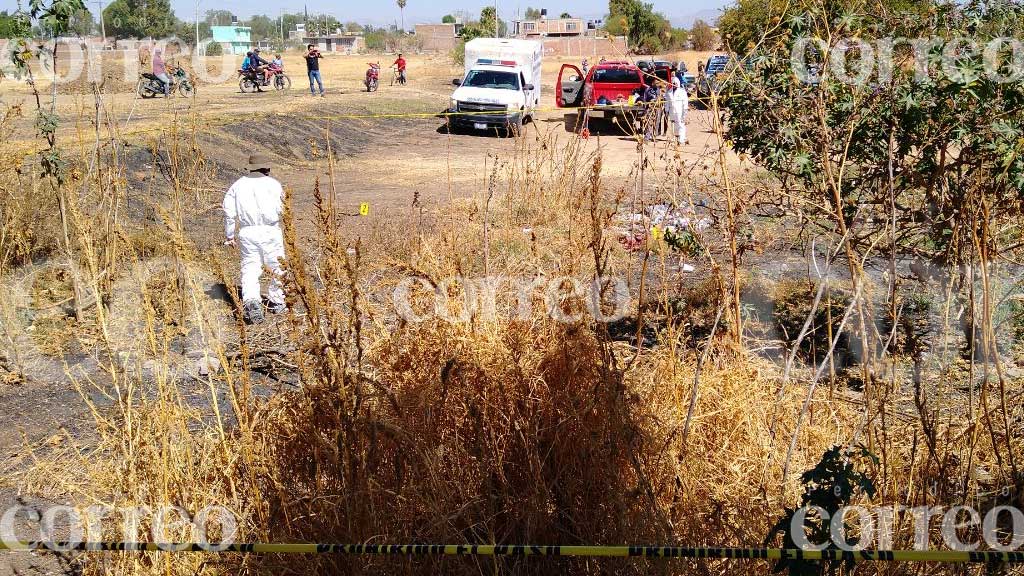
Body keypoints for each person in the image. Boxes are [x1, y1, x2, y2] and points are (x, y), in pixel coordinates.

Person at [223, 154, 286, 324]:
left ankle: (252, 300)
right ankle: (277, 301)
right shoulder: (274, 184)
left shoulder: (237, 186)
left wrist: (229, 236)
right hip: (271, 230)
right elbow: (284, 208)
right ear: (266, 168)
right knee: (277, 266)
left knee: (250, 267)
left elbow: (229, 213)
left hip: (247, 231)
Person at [668, 76, 689, 146]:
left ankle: (682, 138)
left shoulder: (682, 92)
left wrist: (685, 111)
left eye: (675, 83)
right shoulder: (669, 92)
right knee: (673, 125)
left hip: (680, 111)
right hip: (672, 111)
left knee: (681, 124)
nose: (674, 84)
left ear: (678, 83)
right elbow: (667, 102)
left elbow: (685, 102)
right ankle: (674, 137)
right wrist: (666, 109)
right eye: (672, 83)